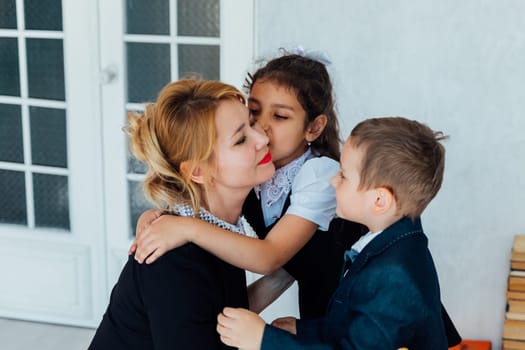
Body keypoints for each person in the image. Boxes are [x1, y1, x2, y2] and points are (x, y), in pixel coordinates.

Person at [130, 51, 365, 319]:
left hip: (349, 302)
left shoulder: (319, 174)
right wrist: (155, 218)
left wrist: (186, 228)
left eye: (280, 117)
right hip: (311, 291)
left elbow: (268, 256)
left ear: (313, 128)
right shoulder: (257, 170)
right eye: (253, 113)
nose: (262, 129)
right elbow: (204, 196)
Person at [216, 116, 452, 349]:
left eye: (344, 176)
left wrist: (264, 340)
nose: (333, 181)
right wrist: (307, 330)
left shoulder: (395, 275)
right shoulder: (392, 243)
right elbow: (356, 323)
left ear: (379, 200)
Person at [88, 79, 275, 349]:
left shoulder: (219, 224)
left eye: (252, 123)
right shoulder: (172, 262)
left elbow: (218, 317)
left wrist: (291, 271)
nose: (263, 138)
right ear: (199, 171)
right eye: (241, 139)